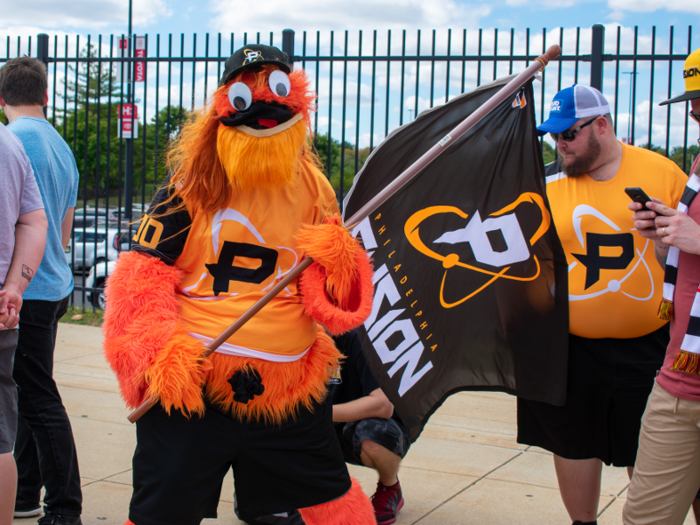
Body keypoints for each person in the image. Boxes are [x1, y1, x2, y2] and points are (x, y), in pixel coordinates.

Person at [102, 44, 376, 525]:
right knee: (160, 512)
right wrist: (152, 356)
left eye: (276, 88)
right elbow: (141, 277)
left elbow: (330, 298)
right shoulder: (191, 183)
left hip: (291, 392)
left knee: (334, 503)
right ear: (222, 108)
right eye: (246, 94)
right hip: (196, 386)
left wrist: (339, 263)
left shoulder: (314, 186)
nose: (266, 107)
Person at [516, 84, 688, 525]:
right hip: (570, 345)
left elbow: (687, 257)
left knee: (650, 447)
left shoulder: (663, 172)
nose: (561, 146)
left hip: (651, 343)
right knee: (572, 441)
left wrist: (664, 241)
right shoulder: (548, 185)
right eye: (554, 137)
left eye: (569, 135)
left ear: (602, 126)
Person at [0, 57, 82, 525]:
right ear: (46, 96)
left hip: (24, 289)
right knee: (25, 393)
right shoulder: (60, 145)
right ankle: (25, 492)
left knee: (36, 399)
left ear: (1, 99)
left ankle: (65, 508)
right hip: (54, 284)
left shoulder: (12, 142)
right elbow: (64, 231)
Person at [622, 47, 700, 525]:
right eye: (692, 101)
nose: (694, 111)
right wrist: (663, 236)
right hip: (679, 382)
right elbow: (685, 263)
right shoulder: (699, 165)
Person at [0, 121, 48, 525]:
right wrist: (15, 284)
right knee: (0, 441)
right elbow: (34, 221)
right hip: (2, 308)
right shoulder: (9, 143)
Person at [329, 330, 410, 525]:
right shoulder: (294, 338)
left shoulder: (358, 338)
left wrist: (321, 415)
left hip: (371, 424)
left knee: (373, 437)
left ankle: (389, 487)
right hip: (323, 427)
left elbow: (383, 405)